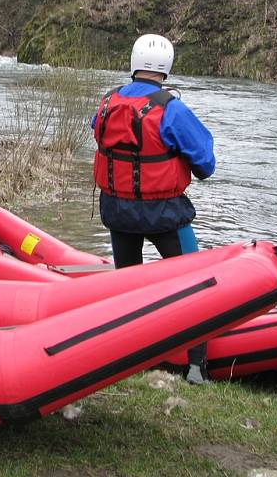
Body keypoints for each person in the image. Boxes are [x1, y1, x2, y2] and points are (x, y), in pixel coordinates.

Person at [92, 33, 216, 385]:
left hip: (118, 211)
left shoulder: (105, 102)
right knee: (194, 284)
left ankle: (128, 354)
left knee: (128, 284)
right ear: (166, 68)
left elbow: (100, 136)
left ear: (134, 63)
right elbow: (206, 164)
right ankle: (196, 366)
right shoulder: (172, 109)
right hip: (165, 213)